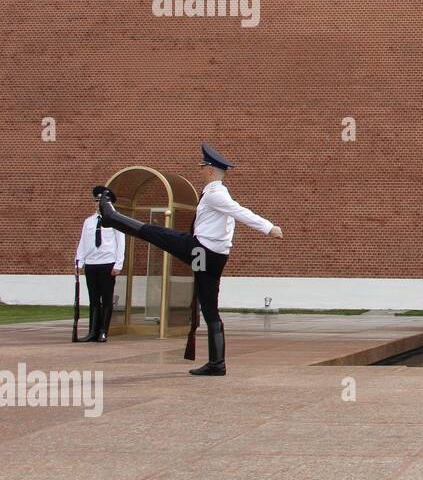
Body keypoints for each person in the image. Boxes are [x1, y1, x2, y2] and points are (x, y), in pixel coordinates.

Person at [97, 144, 283, 376]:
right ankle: (217, 363)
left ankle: (113, 217)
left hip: (202, 251)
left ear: (212, 170)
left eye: (203, 166)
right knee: (208, 306)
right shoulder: (216, 193)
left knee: (160, 234)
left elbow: (240, 212)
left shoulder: (216, 194)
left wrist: (269, 227)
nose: (200, 169)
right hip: (212, 254)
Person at [74, 185, 126, 343]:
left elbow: (120, 242)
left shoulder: (114, 220)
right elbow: (83, 242)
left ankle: (103, 331)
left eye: (101, 201)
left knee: (107, 299)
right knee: (94, 299)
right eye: (96, 201)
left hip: (107, 263)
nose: (98, 204)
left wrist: (119, 264)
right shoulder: (88, 222)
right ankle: (92, 331)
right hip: (91, 263)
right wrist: (79, 261)